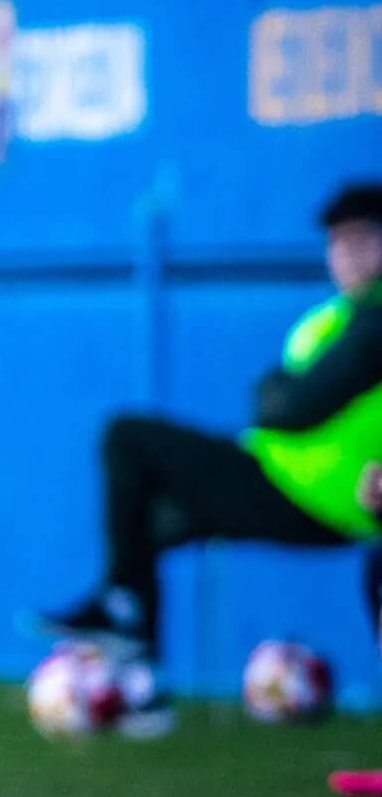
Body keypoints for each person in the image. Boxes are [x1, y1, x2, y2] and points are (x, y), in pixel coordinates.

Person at [37, 184, 382, 675]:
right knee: (146, 527)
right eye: (336, 242)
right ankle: (135, 669)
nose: (346, 255)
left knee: (127, 437)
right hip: (288, 476)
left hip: (319, 495)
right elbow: (273, 398)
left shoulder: (374, 318)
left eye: (362, 239)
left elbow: (288, 406)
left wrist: (278, 392)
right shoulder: (338, 317)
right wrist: (278, 394)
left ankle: (123, 614)